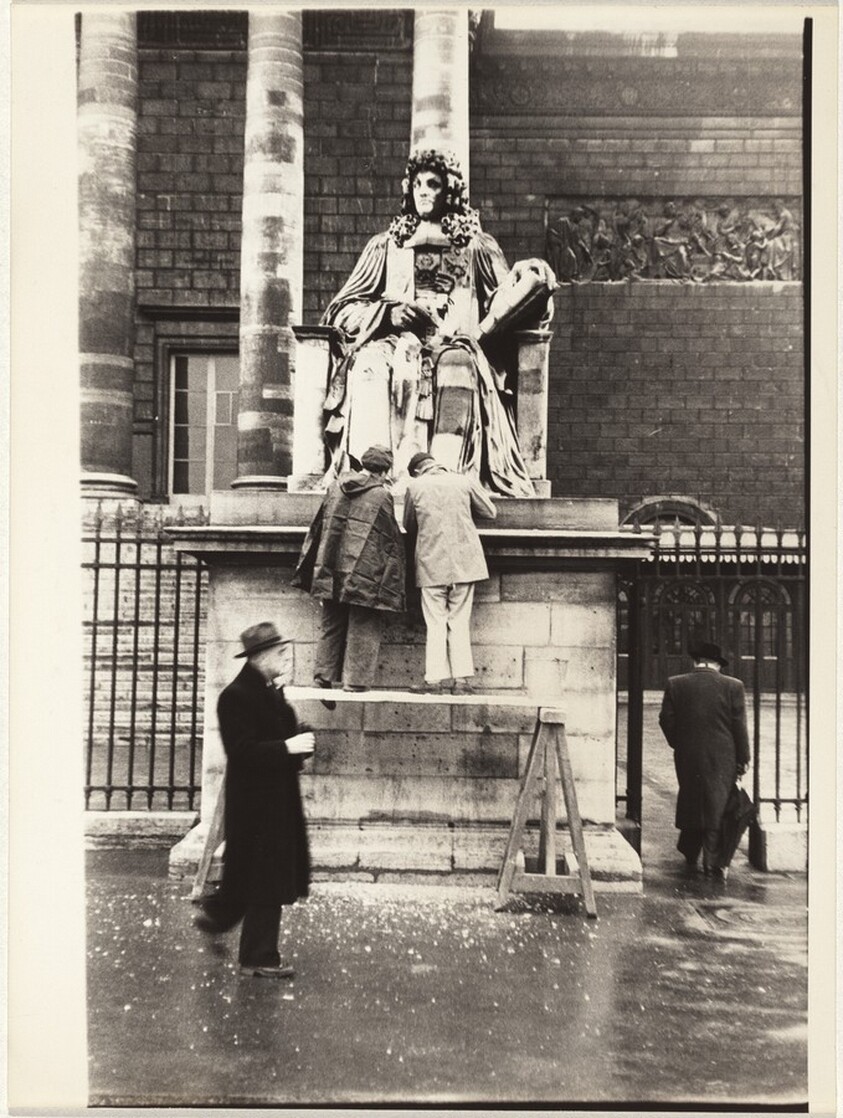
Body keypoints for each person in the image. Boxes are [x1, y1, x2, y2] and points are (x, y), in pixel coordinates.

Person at [319, 148, 555, 495]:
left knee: (459, 365)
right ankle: (371, 474)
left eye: (433, 184)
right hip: (392, 341)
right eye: (417, 184)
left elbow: (505, 303)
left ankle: (445, 476)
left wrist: (529, 278)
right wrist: (387, 314)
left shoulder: (477, 247)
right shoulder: (384, 247)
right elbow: (341, 311)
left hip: (455, 345)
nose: (424, 191)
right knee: (369, 364)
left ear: (451, 192)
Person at [195, 622, 313, 978]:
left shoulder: (268, 691)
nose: (286, 657)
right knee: (266, 880)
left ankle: (216, 918)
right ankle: (258, 958)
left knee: (250, 875)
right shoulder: (235, 696)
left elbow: (281, 737)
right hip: (256, 805)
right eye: (279, 652)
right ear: (259, 656)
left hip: (275, 801)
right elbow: (241, 751)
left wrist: (298, 742)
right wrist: (287, 747)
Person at [293, 444, 405, 693]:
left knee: (332, 621)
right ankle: (355, 682)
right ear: (384, 471)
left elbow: (319, 527)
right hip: (364, 570)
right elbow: (389, 537)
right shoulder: (381, 495)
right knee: (363, 623)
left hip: (331, 567)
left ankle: (323, 676)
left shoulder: (335, 487)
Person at [402, 451, 495, 694]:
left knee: (435, 622)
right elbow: (489, 511)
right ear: (436, 464)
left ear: (417, 471)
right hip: (464, 564)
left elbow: (408, 525)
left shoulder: (415, 486)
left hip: (431, 563)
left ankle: (433, 681)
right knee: (459, 621)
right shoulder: (463, 481)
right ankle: (462, 681)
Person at [658, 640, 751, 879]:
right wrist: (743, 758)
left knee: (692, 798)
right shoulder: (734, 686)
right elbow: (739, 726)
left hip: (688, 755)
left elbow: (665, 719)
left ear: (696, 662)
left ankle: (689, 851)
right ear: (717, 664)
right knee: (717, 804)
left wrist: (679, 742)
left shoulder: (676, 684)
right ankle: (713, 861)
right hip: (723, 756)